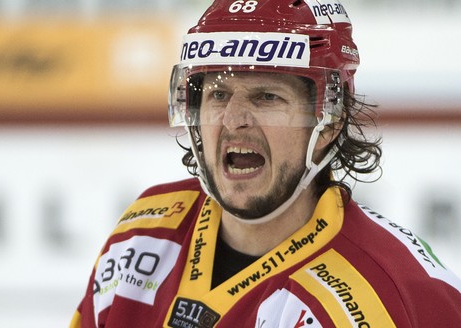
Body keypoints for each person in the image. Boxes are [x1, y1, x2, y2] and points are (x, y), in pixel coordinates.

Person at [70, 0, 461, 327]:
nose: (234, 118)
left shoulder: (389, 296)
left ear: (329, 120)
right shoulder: (143, 234)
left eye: (267, 97)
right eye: (219, 94)